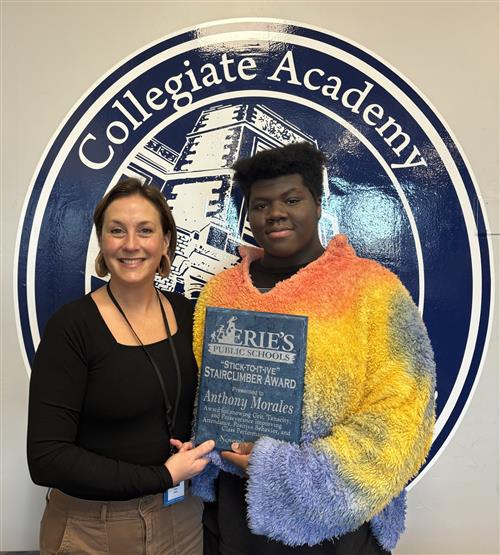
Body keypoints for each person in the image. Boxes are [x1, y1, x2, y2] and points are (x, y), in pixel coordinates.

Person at [191, 142, 436, 555]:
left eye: (291, 199)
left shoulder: (373, 291)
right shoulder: (221, 293)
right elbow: (209, 394)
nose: (275, 213)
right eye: (260, 204)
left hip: (336, 520)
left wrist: (291, 474)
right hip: (234, 516)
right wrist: (205, 446)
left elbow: (404, 412)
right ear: (248, 215)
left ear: (319, 205)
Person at [27, 178, 214, 555]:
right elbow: (47, 459)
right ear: (102, 242)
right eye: (117, 231)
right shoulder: (72, 327)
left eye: (145, 230)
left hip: (179, 521)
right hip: (91, 530)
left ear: (165, 243)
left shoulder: (189, 315)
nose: (131, 244)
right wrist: (162, 475)